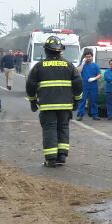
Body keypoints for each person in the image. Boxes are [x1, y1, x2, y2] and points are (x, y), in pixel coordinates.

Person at [26, 36, 83, 167]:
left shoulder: (39, 66)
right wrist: (77, 101)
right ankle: (61, 156)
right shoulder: (69, 65)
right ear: (60, 51)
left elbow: (30, 85)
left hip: (47, 106)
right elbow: (78, 83)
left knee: (50, 129)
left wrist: (32, 101)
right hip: (65, 105)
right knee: (63, 128)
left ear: (46, 51)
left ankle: (51, 159)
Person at [76, 52, 102, 121]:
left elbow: (99, 75)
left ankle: (95, 115)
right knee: (82, 100)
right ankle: (80, 115)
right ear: (85, 58)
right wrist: (82, 64)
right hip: (84, 85)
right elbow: (78, 71)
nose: (88, 58)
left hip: (93, 86)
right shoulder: (83, 65)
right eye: (87, 57)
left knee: (94, 100)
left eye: (89, 56)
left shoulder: (95, 65)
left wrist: (94, 78)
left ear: (92, 57)